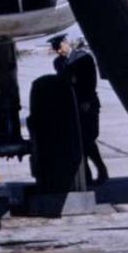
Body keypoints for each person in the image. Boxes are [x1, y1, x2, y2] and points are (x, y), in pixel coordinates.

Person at [49, 34, 109, 185]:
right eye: (55, 49)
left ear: (65, 43)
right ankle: (87, 176)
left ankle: (101, 169)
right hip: (72, 106)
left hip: (87, 104)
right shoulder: (58, 63)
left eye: (59, 47)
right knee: (80, 141)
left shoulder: (83, 57)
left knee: (89, 138)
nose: (58, 51)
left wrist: (87, 100)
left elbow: (91, 80)